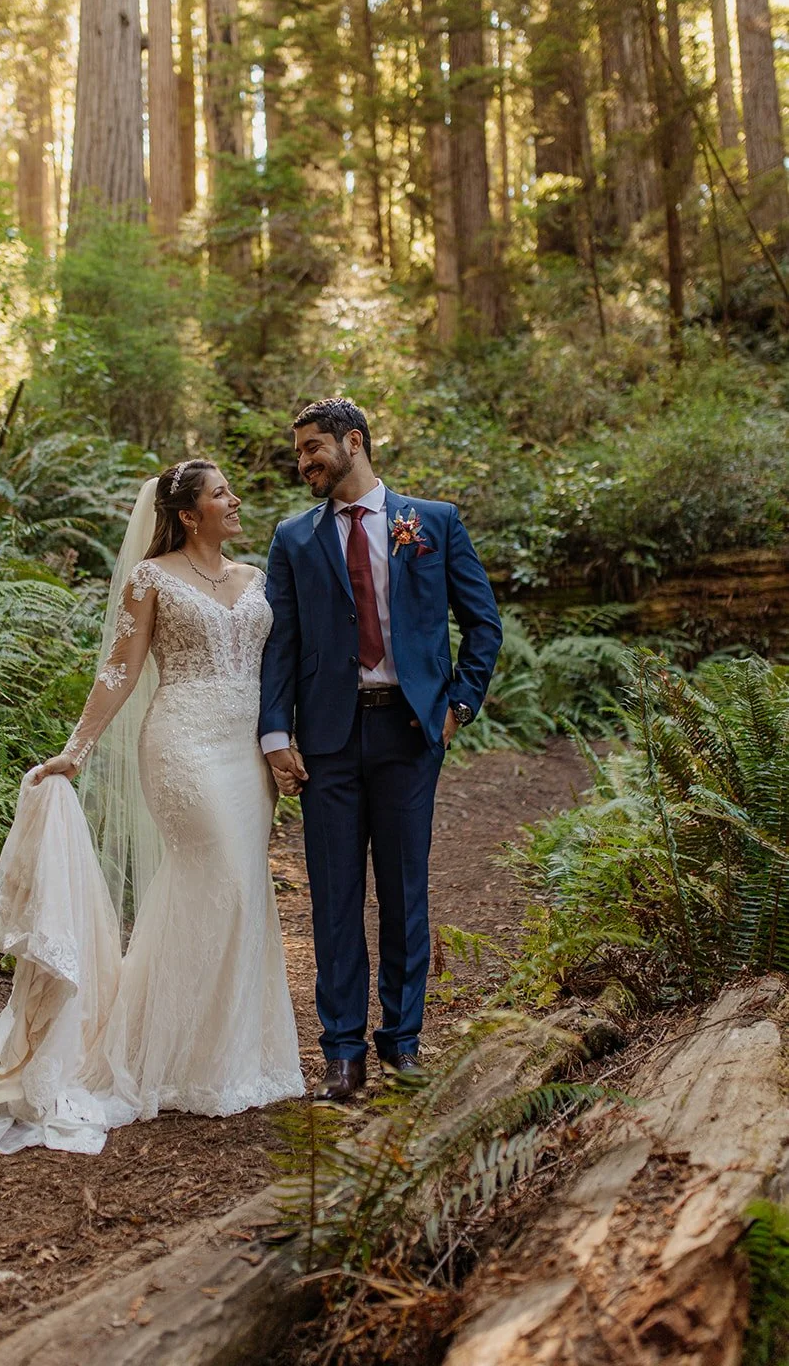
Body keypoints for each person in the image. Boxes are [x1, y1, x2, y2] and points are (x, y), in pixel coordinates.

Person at [0, 461, 304, 1153]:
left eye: (232, 489)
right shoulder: (152, 577)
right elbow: (119, 670)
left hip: (243, 757)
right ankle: (151, 1058)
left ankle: (223, 1059)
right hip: (182, 747)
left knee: (241, 892)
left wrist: (282, 743)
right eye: (220, 493)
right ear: (189, 513)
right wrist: (75, 752)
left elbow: (280, 667)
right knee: (221, 878)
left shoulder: (256, 579)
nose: (235, 499)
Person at [259, 399, 502, 1101]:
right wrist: (276, 736)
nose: (303, 461)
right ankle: (341, 1052)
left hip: (407, 732)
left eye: (312, 448)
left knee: (403, 892)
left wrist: (456, 705)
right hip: (327, 741)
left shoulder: (433, 522)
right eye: (298, 452)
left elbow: (481, 623)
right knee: (332, 899)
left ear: (353, 442)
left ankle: (401, 1041)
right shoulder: (293, 539)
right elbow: (281, 646)